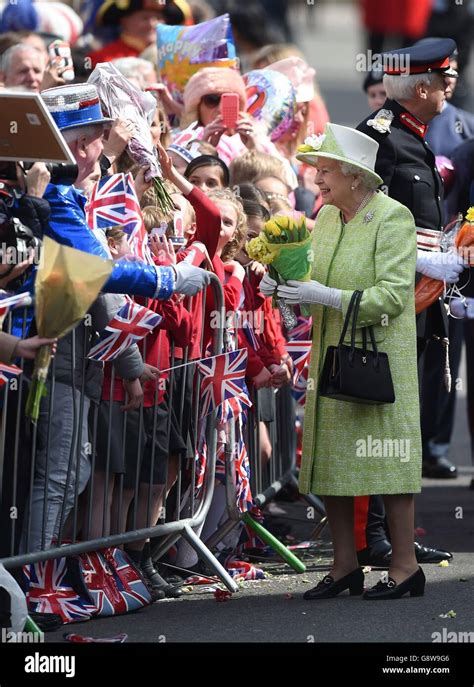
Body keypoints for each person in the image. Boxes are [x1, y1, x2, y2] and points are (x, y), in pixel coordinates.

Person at [261, 123, 425, 600]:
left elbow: (393, 297)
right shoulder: (329, 217)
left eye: (325, 170)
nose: (316, 179)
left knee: (388, 461)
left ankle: (405, 566)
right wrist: (288, 290)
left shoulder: (393, 218)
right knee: (329, 460)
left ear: (356, 176)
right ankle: (344, 565)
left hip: (378, 358)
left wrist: (325, 294)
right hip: (332, 354)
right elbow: (317, 290)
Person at [352, 39, 464, 567]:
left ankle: (391, 536)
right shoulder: (381, 137)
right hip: (388, 304)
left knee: (401, 424)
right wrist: (424, 263)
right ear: (421, 87)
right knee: (382, 423)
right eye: (444, 80)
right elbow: (359, 224)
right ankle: (372, 537)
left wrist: (447, 252)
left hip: (414, 305)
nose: (450, 87)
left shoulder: (411, 134)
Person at [89, 0, 188, 67]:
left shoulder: (178, 57)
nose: (152, 24)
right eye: (145, 18)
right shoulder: (101, 60)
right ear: (124, 21)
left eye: (158, 18)